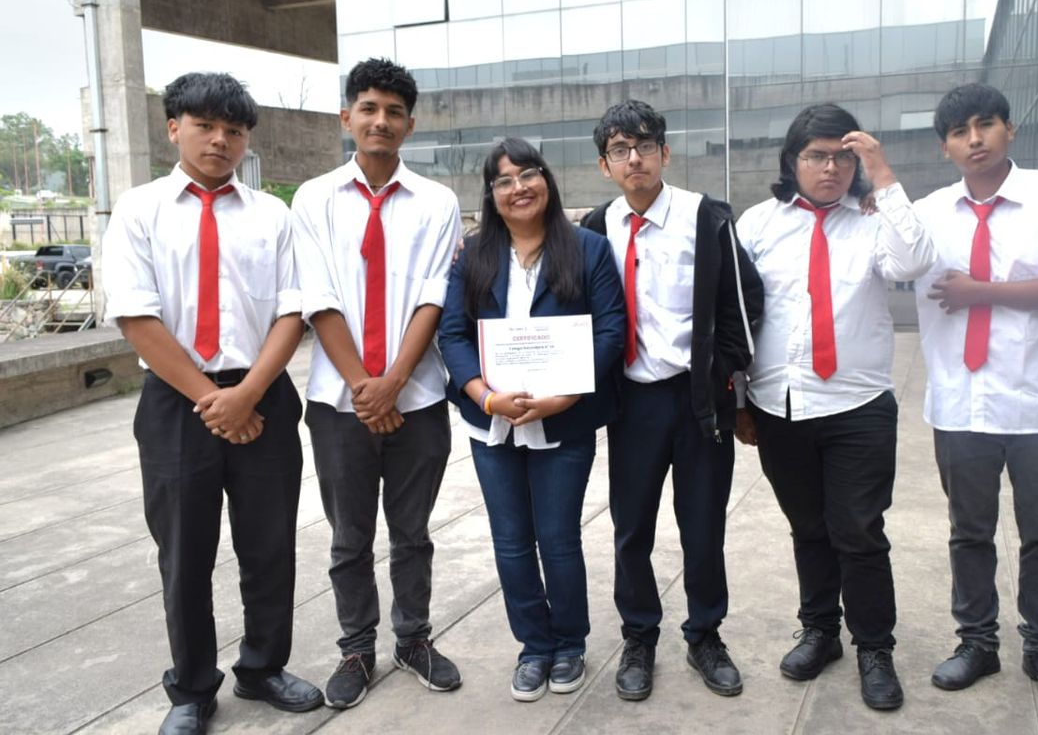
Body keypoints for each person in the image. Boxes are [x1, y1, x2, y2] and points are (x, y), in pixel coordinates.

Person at [102, 72, 322, 735]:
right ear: (175, 128)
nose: (220, 140)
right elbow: (136, 317)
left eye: (234, 130)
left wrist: (247, 395)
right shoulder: (139, 210)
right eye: (205, 126)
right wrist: (213, 400)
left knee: (269, 545)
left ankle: (263, 667)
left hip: (263, 394)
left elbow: (294, 310)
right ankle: (193, 688)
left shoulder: (272, 215)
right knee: (184, 553)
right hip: (177, 401)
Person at [733, 104, 935, 711]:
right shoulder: (758, 224)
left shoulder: (873, 220)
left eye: (843, 157)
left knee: (859, 531)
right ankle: (820, 631)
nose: (831, 168)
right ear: (791, 161)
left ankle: (875, 647)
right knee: (809, 528)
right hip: (780, 405)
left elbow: (915, 261)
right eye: (817, 156)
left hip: (856, 405)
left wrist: (884, 176)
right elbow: (735, 314)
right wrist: (738, 399)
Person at [913, 83, 1038, 710]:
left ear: (1009, 129)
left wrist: (981, 291)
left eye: (986, 125)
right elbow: (889, 257)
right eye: (959, 132)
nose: (975, 140)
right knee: (969, 532)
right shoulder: (929, 213)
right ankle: (977, 642)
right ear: (944, 147)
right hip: (961, 404)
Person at [291, 58, 463, 709]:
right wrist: (366, 388)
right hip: (338, 404)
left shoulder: (437, 203)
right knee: (349, 538)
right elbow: (318, 297)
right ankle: (356, 648)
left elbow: (433, 297)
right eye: (368, 108)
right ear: (347, 117)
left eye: (394, 112)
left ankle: (413, 639)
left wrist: (392, 384)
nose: (380, 121)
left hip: (417, 400)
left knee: (412, 533)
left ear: (410, 125)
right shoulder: (313, 199)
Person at [581, 100, 764, 701]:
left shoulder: (707, 217)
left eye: (644, 146)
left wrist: (729, 379)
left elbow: (744, 302)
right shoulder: (595, 228)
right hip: (632, 403)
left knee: (703, 525)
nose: (633, 158)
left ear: (664, 152)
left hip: (697, 400)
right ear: (605, 165)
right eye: (619, 150)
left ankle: (705, 635)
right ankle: (639, 636)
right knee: (631, 527)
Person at [438, 138, 625, 702]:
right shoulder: (474, 255)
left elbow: (611, 330)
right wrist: (484, 396)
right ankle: (534, 646)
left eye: (528, 174)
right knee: (512, 541)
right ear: (491, 194)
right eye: (504, 180)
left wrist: (564, 397)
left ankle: (569, 643)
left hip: (563, 423)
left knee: (558, 539)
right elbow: (452, 333)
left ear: (546, 179)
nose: (518, 188)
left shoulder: (588, 248)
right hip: (491, 424)